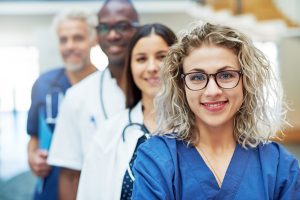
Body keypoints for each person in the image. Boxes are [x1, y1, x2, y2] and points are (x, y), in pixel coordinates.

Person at [132, 22, 300, 199]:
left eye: (226, 75)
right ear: (182, 86)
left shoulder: (278, 165)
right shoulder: (156, 159)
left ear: (246, 82)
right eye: (197, 77)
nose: (213, 91)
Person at [47, 0, 140, 199]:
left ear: (138, 30)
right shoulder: (77, 97)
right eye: (105, 27)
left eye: (123, 26)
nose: (113, 35)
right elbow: (70, 175)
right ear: (97, 35)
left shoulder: (162, 92)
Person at [76, 23, 177, 200]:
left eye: (162, 56)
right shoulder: (108, 133)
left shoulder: (199, 128)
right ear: (130, 67)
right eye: (141, 59)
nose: (152, 67)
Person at [27, 10, 97, 200]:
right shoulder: (44, 84)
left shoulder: (107, 87)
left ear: (94, 40)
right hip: (49, 188)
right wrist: (32, 157)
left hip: (92, 189)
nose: (70, 46)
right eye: (63, 40)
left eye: (78, 38)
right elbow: (33, 137)